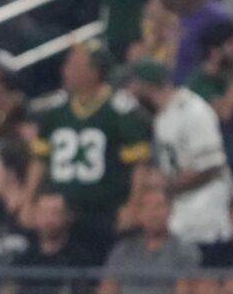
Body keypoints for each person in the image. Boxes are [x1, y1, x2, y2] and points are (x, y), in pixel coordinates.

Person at [27, 42, 151, 255]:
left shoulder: (120, 109)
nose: (65, 71)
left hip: (104, 212)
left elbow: (139, 164)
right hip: (59, 215)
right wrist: (29, 200)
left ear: (95, 72)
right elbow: (39, 159)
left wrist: (133, 205)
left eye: (74, 66)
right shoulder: (55, 110)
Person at [124, 58, 232, 245]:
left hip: (205, 210)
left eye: (134, 84)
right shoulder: (162, 114)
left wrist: (166, 185)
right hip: (181, 212)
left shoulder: (193, 110)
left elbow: (212, 166)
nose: (130, 91)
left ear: (147, 84)